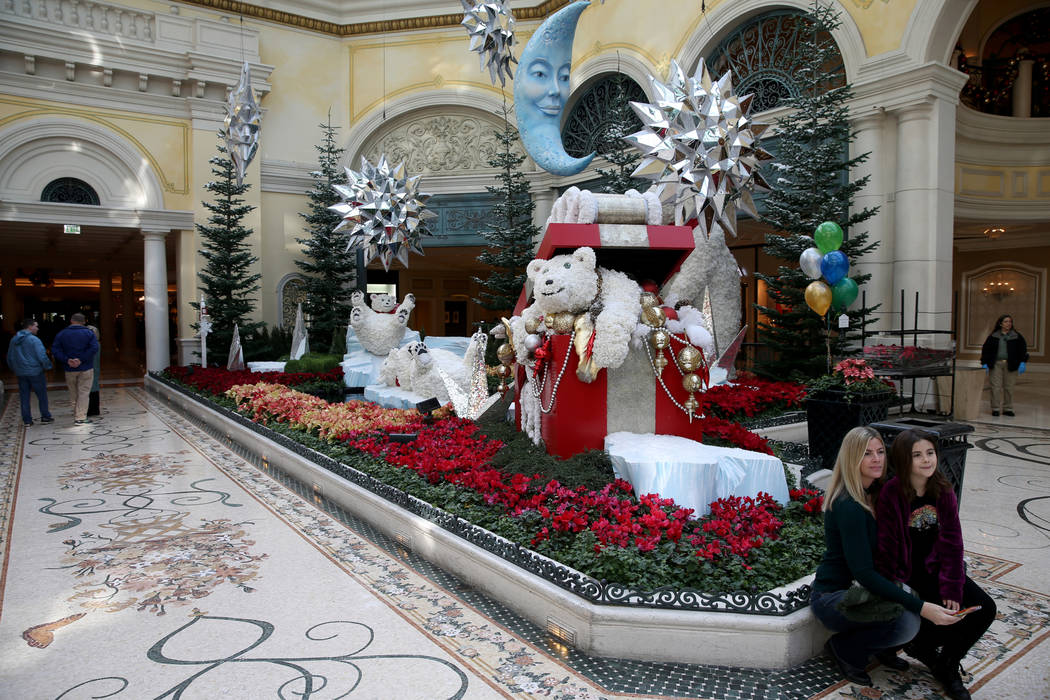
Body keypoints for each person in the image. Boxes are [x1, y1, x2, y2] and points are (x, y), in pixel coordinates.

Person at [810, 426, 960, 687]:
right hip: (835, 595)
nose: (877, 459)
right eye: (867, 454)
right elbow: (864, 574)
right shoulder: (849, 506)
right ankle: (845, 649)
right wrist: (923, 608)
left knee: (921, 592)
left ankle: (882, 648)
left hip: (862, 589)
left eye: (880, 451)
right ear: (852, 459)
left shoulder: (876, 491)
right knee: (907, 621)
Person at [876, 429, 996, 700]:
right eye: (917, 455)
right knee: (943, 617)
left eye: (930, 453)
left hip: (940, 571)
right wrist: (899, 588)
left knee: (985, 609)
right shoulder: (891, 493)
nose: (926, 460)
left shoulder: (942, 489)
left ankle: (945, 663)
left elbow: (954, 543)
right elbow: (887, 547)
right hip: (908, 574)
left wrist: (953, 586)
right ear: (904, 460)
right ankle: (913, 644)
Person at [51, 312, 100, 425]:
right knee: (84, 393)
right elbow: (94, 348)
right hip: (86, 367)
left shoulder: (62, 334)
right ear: (83, 322)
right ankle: (81, 417)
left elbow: (55, 350)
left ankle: (76, 413)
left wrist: (67, 360)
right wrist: (81, 359)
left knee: (73, 392)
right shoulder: (89, 333)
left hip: (69, 368)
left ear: (71, 321)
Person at [6, 318, 54, 427]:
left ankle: (27, 420)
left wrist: (14, 369)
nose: (38, 328)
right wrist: (48, 366)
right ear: (30, 327)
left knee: (24, 396)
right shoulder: (34, 340)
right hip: (35, 372)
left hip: (21, 372)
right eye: (36, 326)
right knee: (41, 395)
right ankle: (45, 416)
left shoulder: (14, 339)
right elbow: (42, 356)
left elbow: (10, 357)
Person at [980, 314, 1028, 417]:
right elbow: (986, 349)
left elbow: (1023, 350)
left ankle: (1008, 408)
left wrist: (1022, 362)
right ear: (1000, 323)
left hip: (1011, 364)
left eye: (1010, 322)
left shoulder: (1017, 336)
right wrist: (984, 362)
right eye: (1006, 321)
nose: (1008, 324)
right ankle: (995, 408)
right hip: (996, 364)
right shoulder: (993, 336)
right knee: (995, 387)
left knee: (1009, 387)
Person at [86, 324, 101, 417]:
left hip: (91, 368)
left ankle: (92, 409)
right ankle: (94, 409)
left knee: (91, 388)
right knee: (93, 387)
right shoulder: (96, 344)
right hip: (93, 369)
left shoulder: (93, 345)